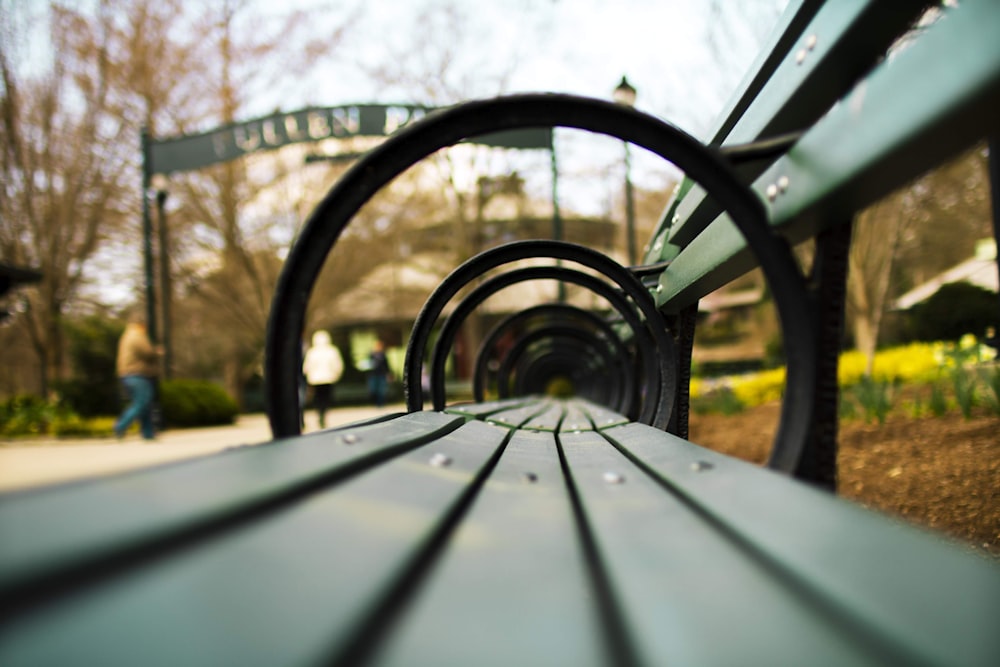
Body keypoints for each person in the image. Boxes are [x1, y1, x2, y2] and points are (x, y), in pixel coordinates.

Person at [114, 316, 163, 440]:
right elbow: (147, 353)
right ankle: (120, 425)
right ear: (141, 325)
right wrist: (157, 352)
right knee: (142, 402)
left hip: (131, 374)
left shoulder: (128, 335)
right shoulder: (136, 336)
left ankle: (148, 433)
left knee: (145, 404)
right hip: (137, 374)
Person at [302, 330, 344, 428]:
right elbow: (337, 365)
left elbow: (307, 367)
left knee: (318, 398)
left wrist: (308, 376)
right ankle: (323, 414)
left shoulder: (312, 352)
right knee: (326, 398)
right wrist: (337, 375)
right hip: (328, 378)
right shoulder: (332, 351)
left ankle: (319, 413)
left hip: (315, 379)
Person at [367, 339, 392, 408]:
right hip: (373, 374)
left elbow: (387, 365)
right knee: (374, 389)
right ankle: (376, 403)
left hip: (382, 374)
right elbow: (369, 364)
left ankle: (381, 404)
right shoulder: (371, 354)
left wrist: (388, 374)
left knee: (381, 390)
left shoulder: (383, 355)